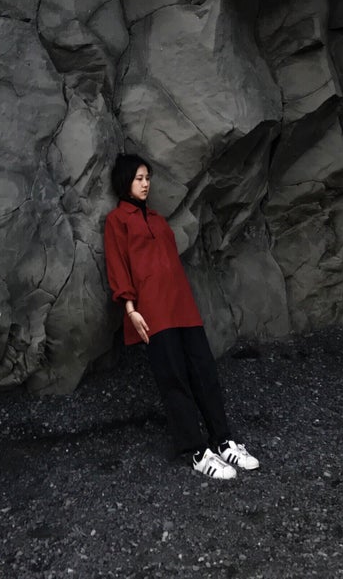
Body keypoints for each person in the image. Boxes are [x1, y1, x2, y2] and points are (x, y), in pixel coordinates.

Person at [103, 152, 260, 480]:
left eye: (147, 178)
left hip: (183, 307)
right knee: (173, 378)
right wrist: (131, 310)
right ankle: (197, 451)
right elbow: (118, 266)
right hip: (153, 313)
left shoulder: (158, 221)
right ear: (125, 182)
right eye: (138, 179)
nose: (145, 184)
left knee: (205, 372)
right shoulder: (118, 221)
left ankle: (224, 440)